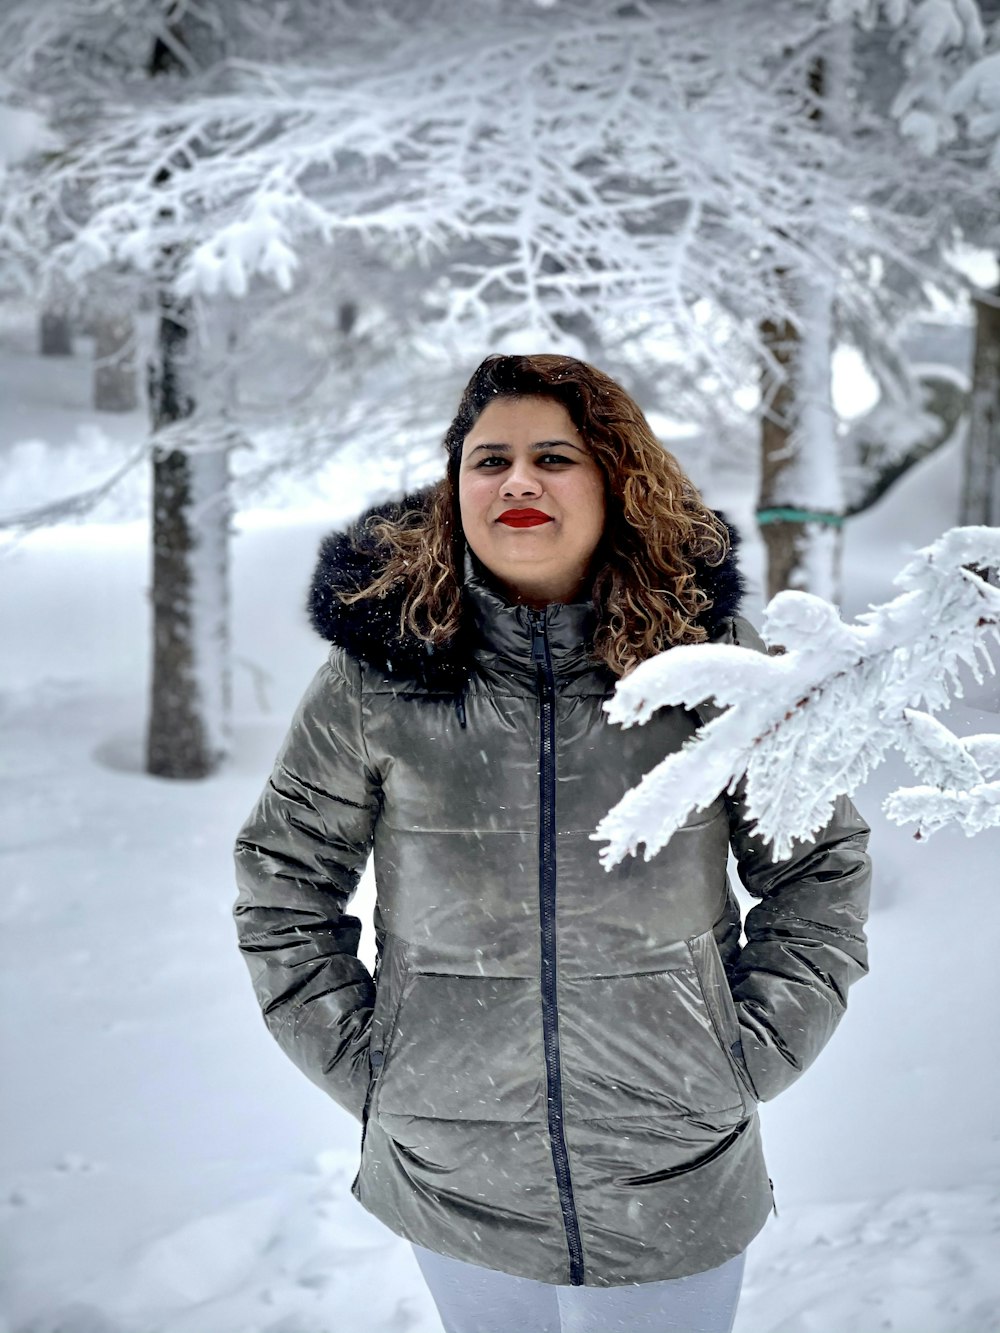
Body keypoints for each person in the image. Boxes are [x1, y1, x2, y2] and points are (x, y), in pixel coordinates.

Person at [233, 353, 871, 1333]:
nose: (517, 481)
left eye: (552, 456)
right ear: (455, 489)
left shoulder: (715, 663)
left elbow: (817, 863)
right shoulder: (376, 677)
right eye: (488, 459)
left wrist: (747, 1054)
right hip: (454, 1169)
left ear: (615, 477)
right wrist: (373, 1068)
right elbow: (282, 881)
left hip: (674, 1164)